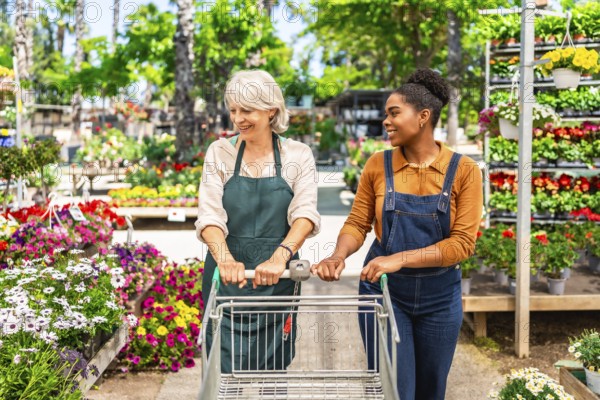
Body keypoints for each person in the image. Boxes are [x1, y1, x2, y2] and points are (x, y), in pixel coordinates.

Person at [312, 68, 483, 399]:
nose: (386, 122)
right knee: (394, 389)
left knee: (431, 390)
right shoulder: (378, 165)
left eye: (394, 113)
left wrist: (400, 258)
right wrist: (338, 255)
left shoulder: (463, 171)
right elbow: (358, 221)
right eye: (385, 115)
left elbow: (462, 244)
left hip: (440, 296)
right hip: (384, 293)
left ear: (423, 117)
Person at [195, 70, 320, 373]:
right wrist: (225, 260)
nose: (238, 119)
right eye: (234, 110)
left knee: (273, 370)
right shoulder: (220, 152)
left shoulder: (298, 154)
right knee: (221, 373)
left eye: (247, 110)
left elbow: (304, 214)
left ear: (271, 110)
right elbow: (210, 214)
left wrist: (280, 258)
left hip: (277, 281)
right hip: (227, 281)